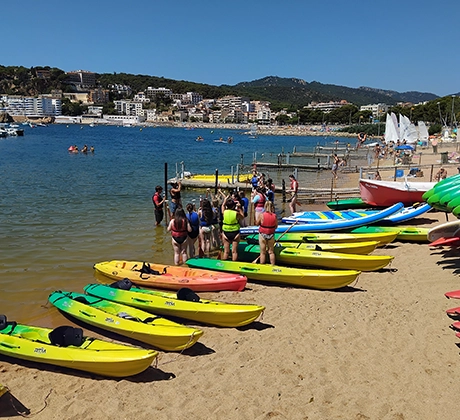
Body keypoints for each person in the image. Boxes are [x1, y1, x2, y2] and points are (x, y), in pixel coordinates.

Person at [221, 197, 244, 261]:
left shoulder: (224, 212)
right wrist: (240, 207)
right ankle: (234, 264)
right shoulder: (236, 213)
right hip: (235, 232)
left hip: (226, 232)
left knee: (226, 251)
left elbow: (223, 205)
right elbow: (242, 217)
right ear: (233, 206)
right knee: (234, 251)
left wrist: (225, 199)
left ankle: (224, 265)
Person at [256, 201, 278, 265]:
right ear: (272, 207)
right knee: (271, 252)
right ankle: (272, 265)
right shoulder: (274, 216)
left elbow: (257, 224)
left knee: (262, 252)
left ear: (265, 207)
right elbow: (276, 226)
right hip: (271, 234)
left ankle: (262, 265)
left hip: (262, 234)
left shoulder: (261, 215)